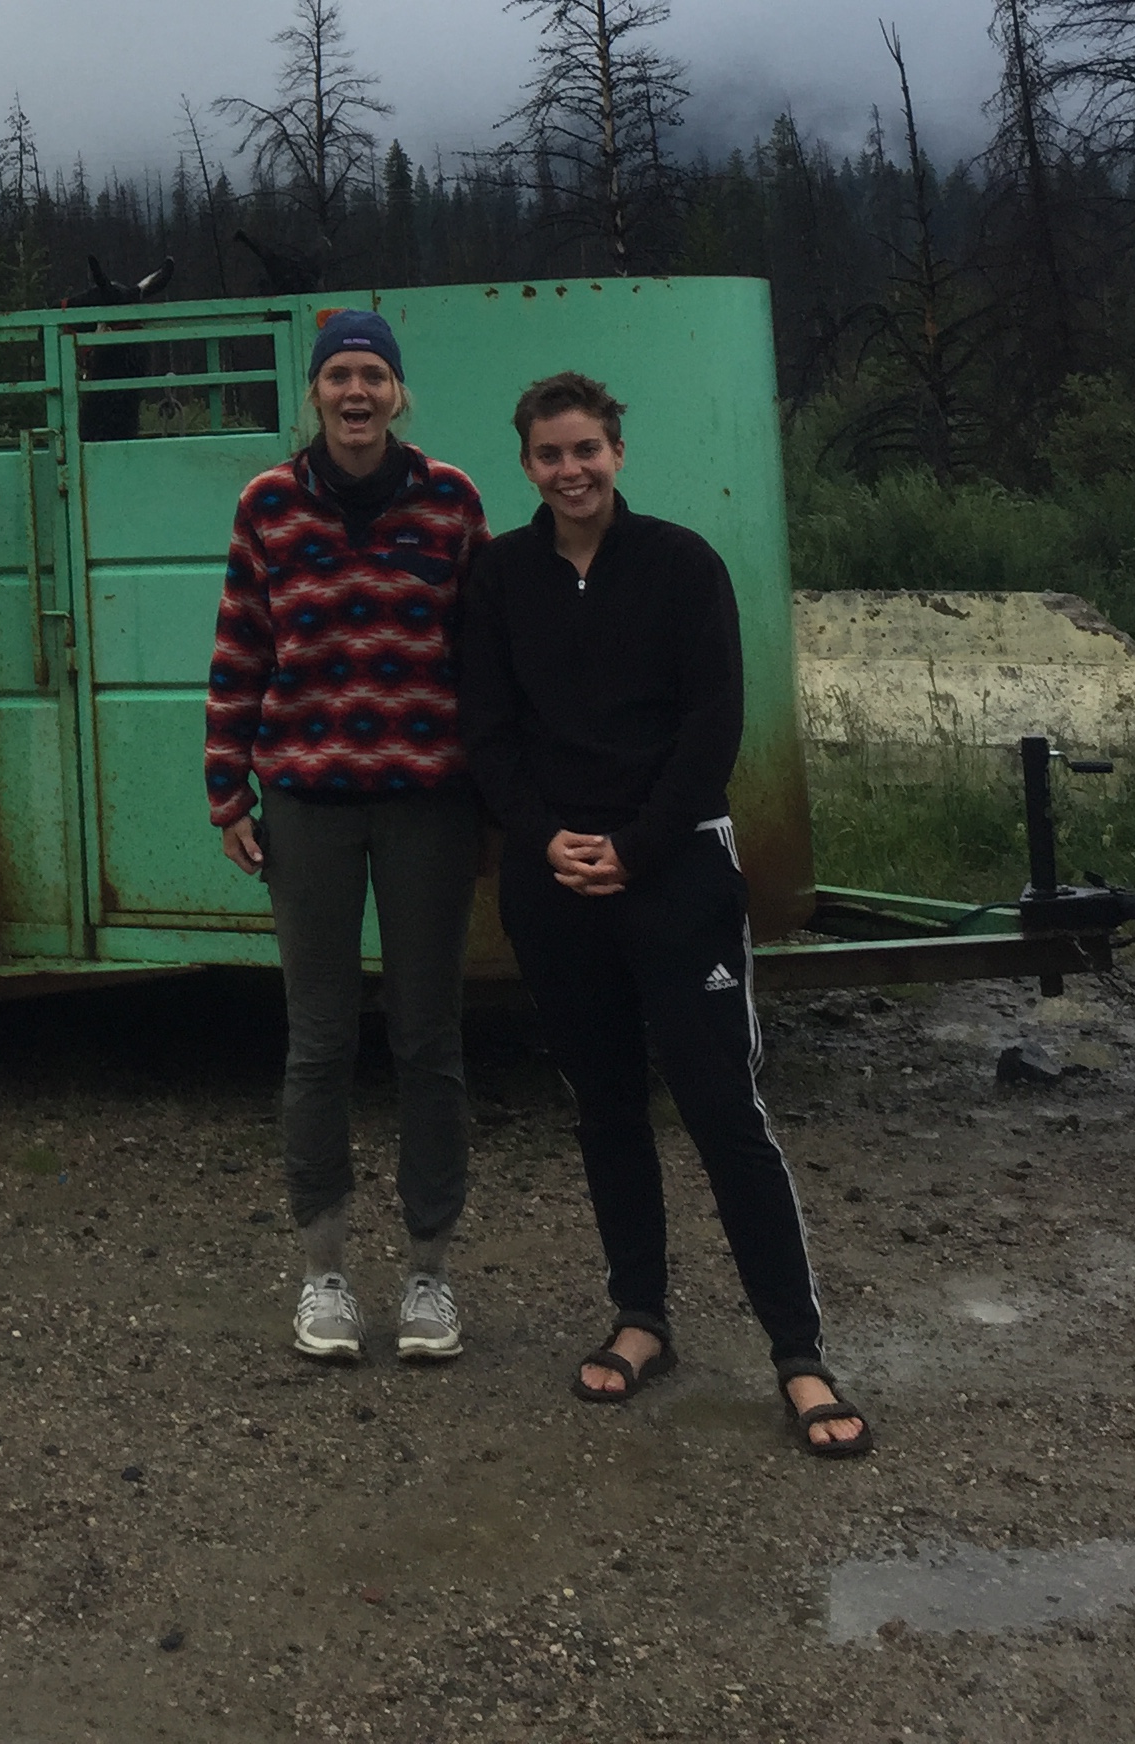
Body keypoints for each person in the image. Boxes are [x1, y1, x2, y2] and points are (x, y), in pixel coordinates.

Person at [458, 369, 872, 1459]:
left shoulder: (683, 564)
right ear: (527, 465)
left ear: (617, 453)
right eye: (550, 455)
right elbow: (488, 732)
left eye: (587, 449)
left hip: (676, 870)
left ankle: (799, 1353)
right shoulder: (499, 578)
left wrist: (635, 849)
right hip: (553, 879)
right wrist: (544, 838)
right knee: (603, 1108)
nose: (571, 470)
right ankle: (642, 1319)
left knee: (722, 1111)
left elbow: (713, 722)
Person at [205, 309, 489, 1364]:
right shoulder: (267, 505)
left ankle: (429, 1277)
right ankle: (324, 1273)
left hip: (430, 802)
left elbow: (484, 652)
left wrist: (499, 796)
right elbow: (240, 647)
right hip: (308, 806)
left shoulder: (453, 500)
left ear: (399, 393)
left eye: (375, 375)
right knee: (318, 1041)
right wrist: (226, 791)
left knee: (428, 1040)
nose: (357, 393)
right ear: (315, 394)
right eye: (340, 376)